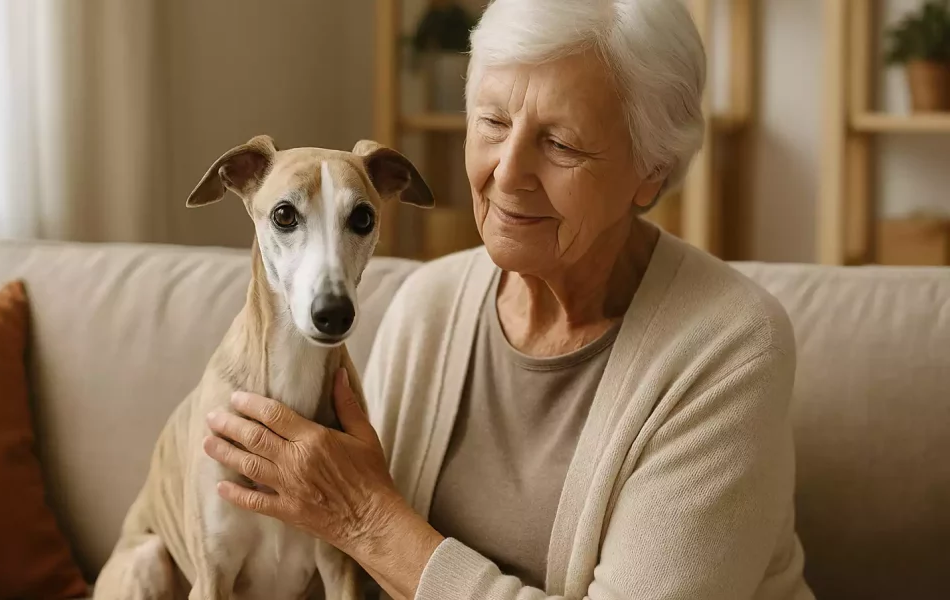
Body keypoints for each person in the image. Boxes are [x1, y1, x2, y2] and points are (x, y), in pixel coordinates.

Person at [201, 0, 816, 598]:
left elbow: (360, 517)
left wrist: (367, 519)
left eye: (561, 144)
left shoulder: (731, 348)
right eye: (493, 123)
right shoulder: (428, 306)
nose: (508, 171)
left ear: (651, 168)